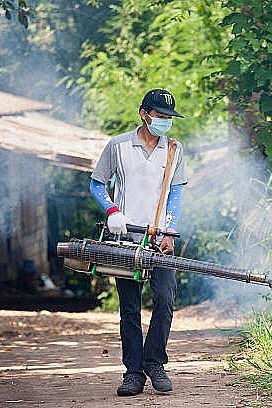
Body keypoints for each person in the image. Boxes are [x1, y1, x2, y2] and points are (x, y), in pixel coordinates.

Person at [89, 89, 187, 396]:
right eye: (160, 116)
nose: (165, 122)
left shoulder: (174, 149)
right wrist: (112, 211)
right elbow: (96, 184)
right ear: (144, 114)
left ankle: (154, 362)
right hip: (125, 238)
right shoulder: (118, 146)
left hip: (159, 240)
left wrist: (170, 230)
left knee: (166, 298)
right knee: (129, 307)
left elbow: (176, 193)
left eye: (169, 117)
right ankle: (133, 373)